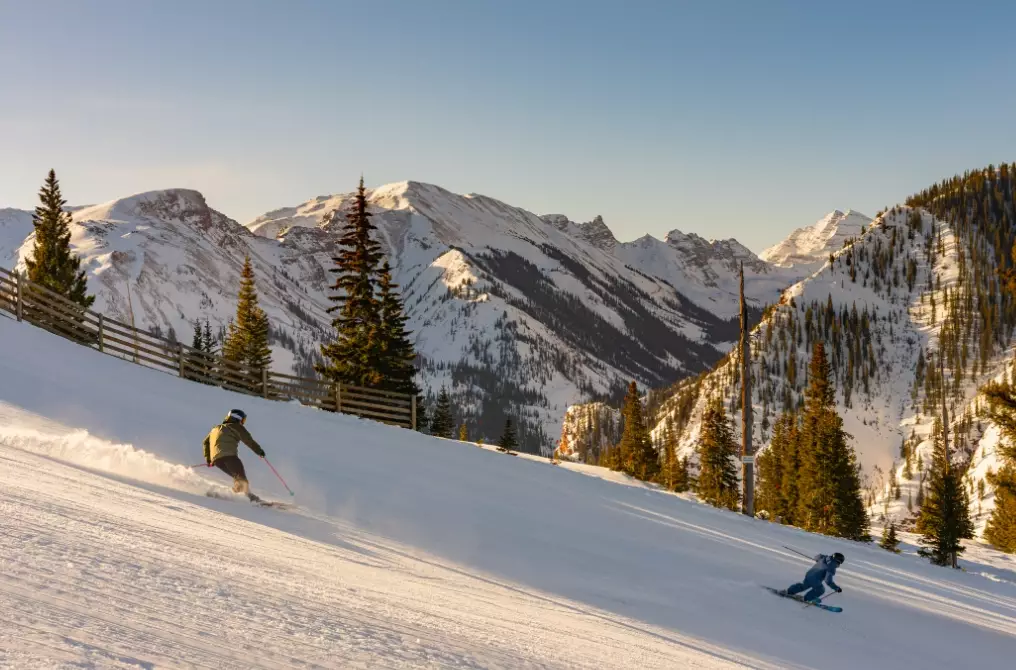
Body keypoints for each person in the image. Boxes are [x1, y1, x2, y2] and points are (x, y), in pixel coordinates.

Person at [203, 409, 265, 501]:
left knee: (238, 478)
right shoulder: (236, 426)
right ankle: (249, 498)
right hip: (230, 457)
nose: (243, 423)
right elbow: (248, 440)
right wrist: (259, 451)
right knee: (242, 479)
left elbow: (206, 442)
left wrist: (209, 459)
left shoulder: (215, 429)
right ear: (237, 418)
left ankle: (229, 496)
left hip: (217, 461)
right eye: (243, 420)